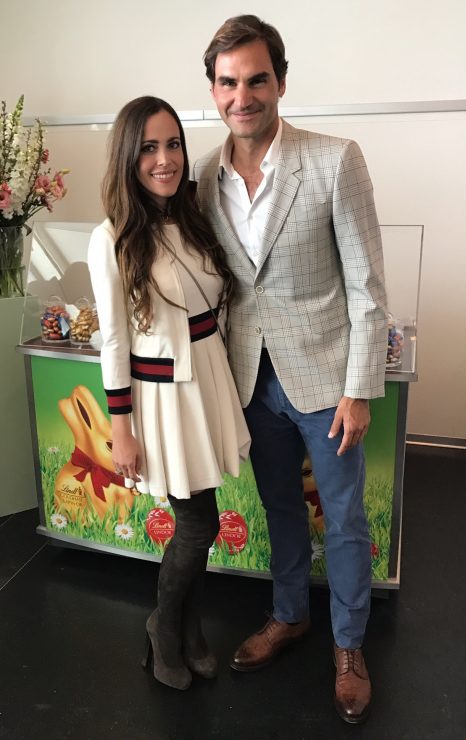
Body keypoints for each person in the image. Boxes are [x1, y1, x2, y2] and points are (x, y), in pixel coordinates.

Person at [193, 15, 387, 723]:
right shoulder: (201, 177)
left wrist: (359, 390)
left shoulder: (335, 160)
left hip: (327, 379)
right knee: (279, 506)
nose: (241, 96)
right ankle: (288, 614)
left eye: (256, 80)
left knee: (343, 518)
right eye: (228, 83)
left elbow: (366, 285)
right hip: (249, 379)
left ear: (279, 82)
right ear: (213, 90)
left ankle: (349, 646)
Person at [88, 96, 250, 691]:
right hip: (161, 399)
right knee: (197, 524)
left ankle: (189, 630)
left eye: (173, 144)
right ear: (128, 157)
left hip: (206, 384)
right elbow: (113, 341)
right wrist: (120, 428)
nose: (165, 159)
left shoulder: (192, 218)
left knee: (199, 522)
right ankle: (164, 626)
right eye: (150, 148)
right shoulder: (111, 238)